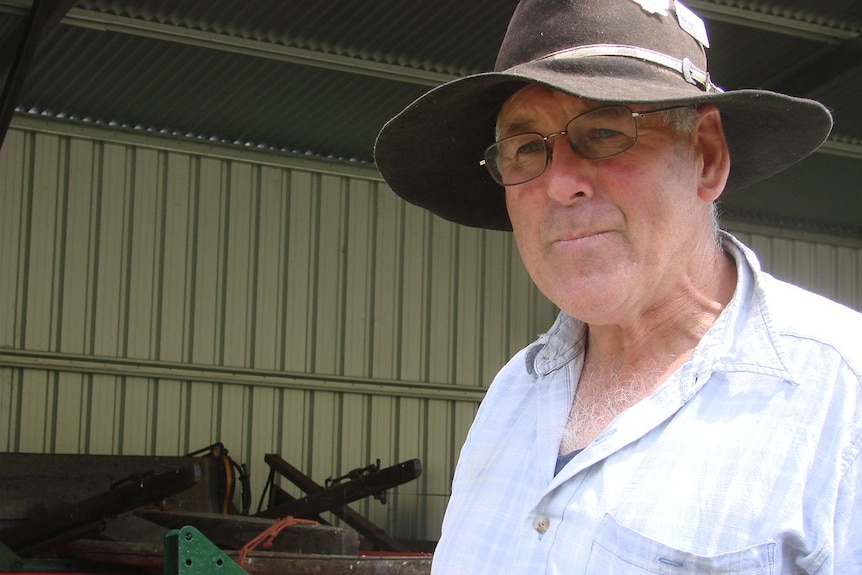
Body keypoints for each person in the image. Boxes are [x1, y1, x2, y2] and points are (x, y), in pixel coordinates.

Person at [374, 0, 862, 572]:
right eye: (527, 147)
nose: (559, 183)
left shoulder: (841, 394)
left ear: (706, 156)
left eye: (605, 131)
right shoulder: (516, 391)